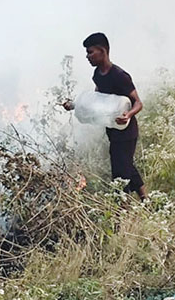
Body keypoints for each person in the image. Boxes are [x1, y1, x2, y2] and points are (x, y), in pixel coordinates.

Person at [63, 32, 147, 200]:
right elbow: (97, 101)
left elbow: (138, 103)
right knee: (126, 166)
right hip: (113, 129)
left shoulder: (119, 75)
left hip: (127, 131)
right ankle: (146, 199)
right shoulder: (97, 75)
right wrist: (74, 105)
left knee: (120, 172)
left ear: (102, 51)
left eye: (90, 52)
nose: (88, 56)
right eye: (87, 52)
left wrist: (128, 115)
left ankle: (123, 211)